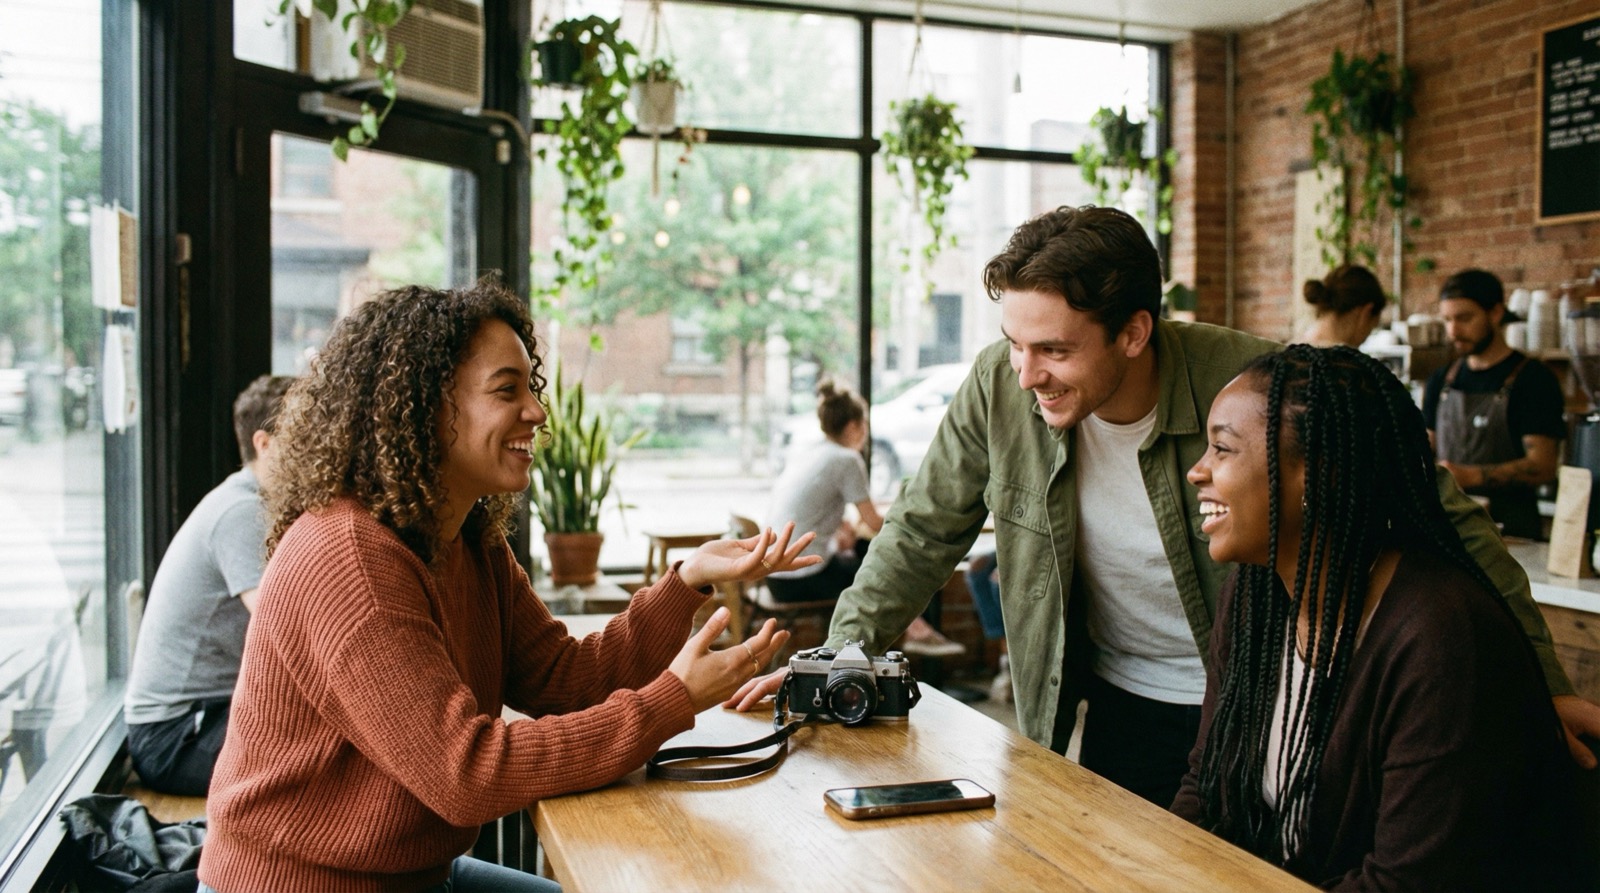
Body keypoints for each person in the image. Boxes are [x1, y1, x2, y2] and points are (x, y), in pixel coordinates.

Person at [729, 205, 1600, 809]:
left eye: (1054, 350)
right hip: (1118, 702)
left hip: (1272, 699)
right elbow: (920, 530)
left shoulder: (1262, 382)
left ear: (1136, 330)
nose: (1026, 374)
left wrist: (1544, 678)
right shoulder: (1004, 384)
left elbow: (1442, 516)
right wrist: (835, 659)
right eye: (1014, 344)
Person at [197, 280, 816, 893]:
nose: (537, 412)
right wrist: (671, 700)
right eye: (506, 391)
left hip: (410, 876)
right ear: (425, 407)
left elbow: (564, 679)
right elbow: (464, 772)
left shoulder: (465, 540)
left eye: (531, 387)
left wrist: (686, 581)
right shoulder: (349, 558)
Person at [1173, 345, 1584, 890]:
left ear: (1319, 474)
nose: (1197, 472)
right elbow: (1207, 786)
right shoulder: (1253, 598)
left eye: (1222, 449)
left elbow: (1405, 883)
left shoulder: (1440, 639)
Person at [123, 374, 293, 796]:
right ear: (264, 444)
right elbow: (284, 626)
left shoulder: (254, 503)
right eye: (304, 436)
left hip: (202, 718)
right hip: (176, 735)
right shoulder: (239, 512)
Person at [762, 378, 958, 654]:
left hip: (776, 577)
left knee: (863, 557)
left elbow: (819, 511)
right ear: (855, 426)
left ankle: (914, 632)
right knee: (880, 572)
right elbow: (874, 522)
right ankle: (917, 631)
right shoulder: (846, 459)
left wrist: (840, 534)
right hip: (801, 578)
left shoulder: (813, 453)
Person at [1423, 268, 1565, 540]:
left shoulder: (1533, 379)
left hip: (1512, 532)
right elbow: (1426, 445)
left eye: (1464, 318)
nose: (1453, 330)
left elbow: (1543, 464)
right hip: (1447, 528)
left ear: (1496, 313)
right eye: (1447, 320)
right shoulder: (1441, 380)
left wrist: (1470, 476)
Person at [1294, 264, 1386, 348]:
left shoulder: (1285, 355)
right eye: (1371, 329)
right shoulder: (1358, 364)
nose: (1365, 339)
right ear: (1366, 313)